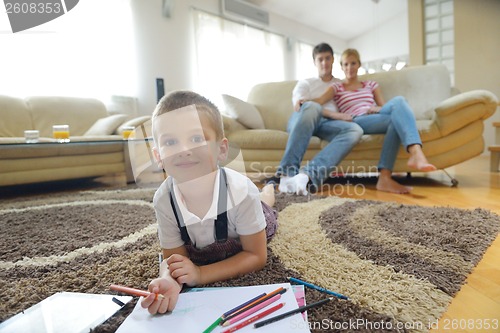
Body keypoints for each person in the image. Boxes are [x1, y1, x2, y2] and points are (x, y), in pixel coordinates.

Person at [141, 90, 278, 314]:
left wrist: (202, 274)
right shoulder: (163, 200)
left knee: (266, 207)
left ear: (221, 149)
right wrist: (170, 279)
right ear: (158, 156)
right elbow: (174, 260)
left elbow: (256, 255)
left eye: (196, 138)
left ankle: (269, 188)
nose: (184, 150)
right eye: (171, 141)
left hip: (252, 215)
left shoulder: (242, 192)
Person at [311, 48, 436, 193]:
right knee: (400, 102)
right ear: (342, 67)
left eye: (353, 63)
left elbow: (385, 107)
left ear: (359, 64)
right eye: (346, 64)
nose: (349, 68)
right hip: (357, 120)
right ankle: (416, 153)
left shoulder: (371, 85)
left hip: (375, 115)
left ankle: (384, 178)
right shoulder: (337, 87)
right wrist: (303, 101)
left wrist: (377, 108)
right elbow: (319, 101)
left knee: (397, 111)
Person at [276, 42, 363, 195]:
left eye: (327, 58)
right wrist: (334, 114)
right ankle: (286, 175)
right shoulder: (306, 83)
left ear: (333, 60)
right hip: (303, 121)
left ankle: (306, 176)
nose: (324, 63)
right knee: (312, 107)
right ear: (315, 62)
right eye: (320, 59)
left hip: (327, 125)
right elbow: (301, 106)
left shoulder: (340, 84)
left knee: (355, 130)